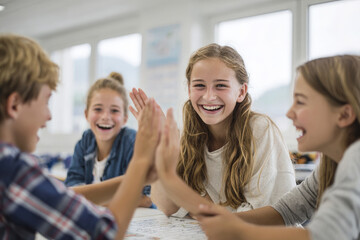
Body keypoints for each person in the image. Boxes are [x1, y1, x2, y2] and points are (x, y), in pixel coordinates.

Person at [0, 34, 162, 239]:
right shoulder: (13, 170)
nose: (49, 116)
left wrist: (138, 177)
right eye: (46, 100)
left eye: (114, 110)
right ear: (14, 105)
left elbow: (65, 196)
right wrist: (140, 166)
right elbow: (105, 233)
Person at [197, 55, 360, 240]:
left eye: (301, 101)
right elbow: (288, 210)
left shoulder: (356, 159)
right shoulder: (331, 162)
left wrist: (238, 231)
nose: (289, 113)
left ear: (344, 114)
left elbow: (324, 236)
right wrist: (226, 222)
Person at [129, 43, 296, 217]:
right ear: (189, 90)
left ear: (241, 92)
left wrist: (195, 208)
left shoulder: (260, 130)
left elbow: (255, 216)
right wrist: (160, 142)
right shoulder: (189, 135)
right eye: (199, 85)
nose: (209, 96)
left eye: (221, 86)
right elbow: (166, 207)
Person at [65, 72, 152, 208]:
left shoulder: (133, 142)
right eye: (98, 109)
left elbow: (146, 198)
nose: (105, 116)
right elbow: (70, 191)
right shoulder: (84, 143)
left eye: (114, 110)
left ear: (125, 118)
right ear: (86, 114)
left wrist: (92, 202)